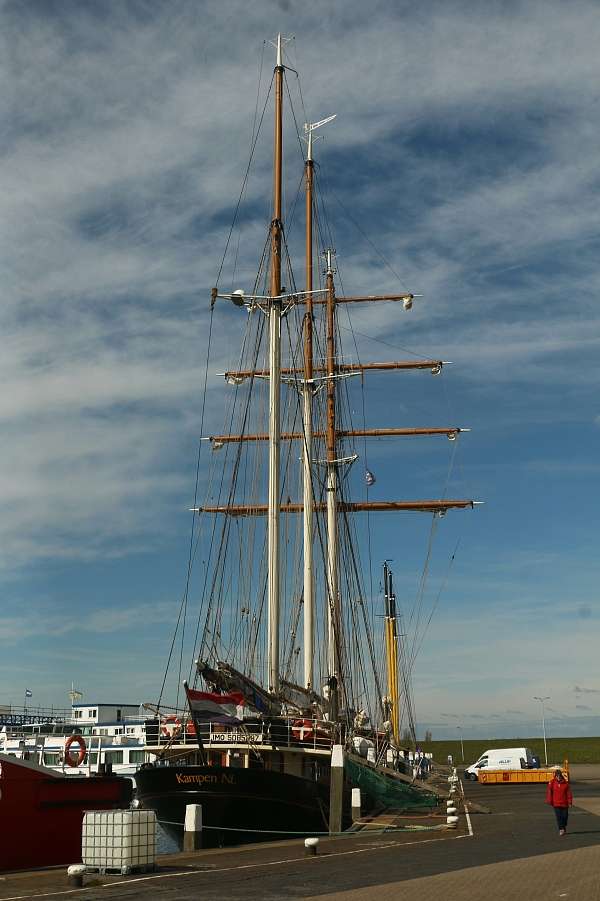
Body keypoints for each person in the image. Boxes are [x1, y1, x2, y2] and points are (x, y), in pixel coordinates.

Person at [546, 769, 573, 835]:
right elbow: (549, 792)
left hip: (564, 803)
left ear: (561, 776)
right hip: (556, 803)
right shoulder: (552, 783)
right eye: (557, 776)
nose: (558, 777)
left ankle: (563, 826)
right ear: (555, 776)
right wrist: (549, 800)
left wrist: (570, 802)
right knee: (559, 817)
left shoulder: (565, 784)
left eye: (559, 776)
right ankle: (561, 829)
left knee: (565, 817)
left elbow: (569, 794)